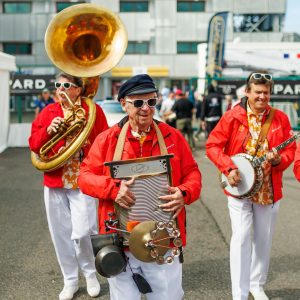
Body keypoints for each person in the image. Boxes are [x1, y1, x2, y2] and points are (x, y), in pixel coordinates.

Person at [78, 74, 202, 300]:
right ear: (124, 104)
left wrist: (184, 193)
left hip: (163, 239)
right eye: (138, 103)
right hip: (120, 240)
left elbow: (193, 172)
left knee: (168, 297)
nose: (146, 108)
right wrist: (113, 190)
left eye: (151, 102)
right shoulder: (107, 139)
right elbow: (84, 177)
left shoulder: (172, 136)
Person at [206, 71, 296, 300]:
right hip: (239, 188)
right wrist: (228, 168)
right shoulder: (231, 117)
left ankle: (256, 285)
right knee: (242, 237)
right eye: (257, 92)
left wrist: (279, 160)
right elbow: (213, 146)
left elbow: (289, 151)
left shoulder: (280, 119)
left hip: (269, 189)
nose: (262, 97)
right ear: (247, 92)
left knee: (263, 239)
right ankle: (239, 293)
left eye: (266, 92)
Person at [29, 73, 109, 300]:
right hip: (55, 180)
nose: (60, 89)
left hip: (82, 180)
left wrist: (87, 142)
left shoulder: (94, 111)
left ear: (78, 89)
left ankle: (90, 274)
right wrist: (48, 131)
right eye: (57, 85)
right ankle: (70, 280)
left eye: (66, 85)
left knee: (84, 231)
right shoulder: (49, 112)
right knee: (60, 233)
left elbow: (105, 142)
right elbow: (34, 144)